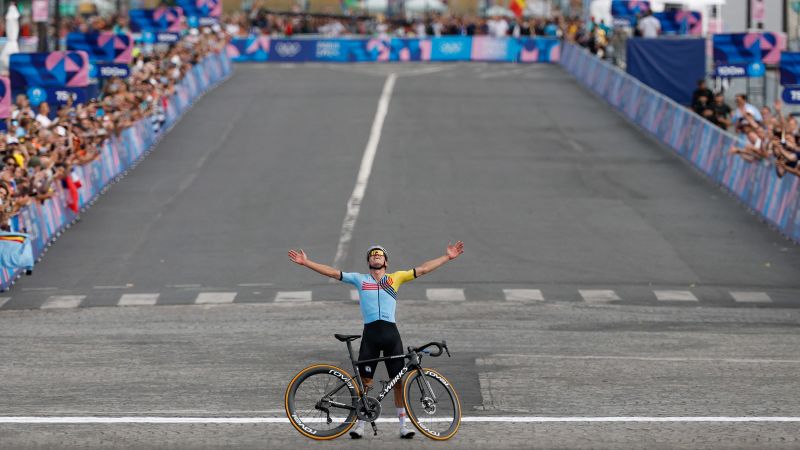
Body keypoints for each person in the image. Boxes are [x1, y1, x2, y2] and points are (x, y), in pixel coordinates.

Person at [287, 242, 465, 439]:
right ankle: (360, 425)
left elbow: (422, 269)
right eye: (372, 255)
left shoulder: (395, 278)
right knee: (365, 383)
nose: (376, 256)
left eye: (380, 254)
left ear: (386, 262)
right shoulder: (360, 279)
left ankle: (403, 426)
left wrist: (447, 257)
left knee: (398, 383)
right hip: (371, 336)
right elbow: (332, 273)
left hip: (391, 336)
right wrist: (306, 262)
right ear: (369, 262)